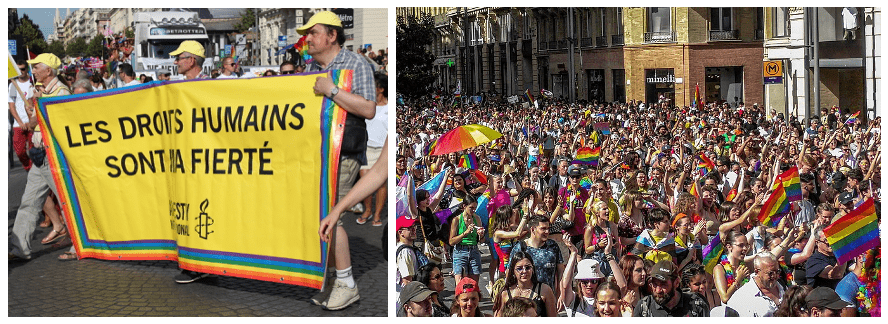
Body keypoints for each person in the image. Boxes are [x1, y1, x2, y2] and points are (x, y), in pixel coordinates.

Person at [300, 11, 377, 311]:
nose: (307, 38)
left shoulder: (356, 64)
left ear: (332, 35)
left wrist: (331, 90)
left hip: (343, 153)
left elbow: (368, 108)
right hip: (315, 154)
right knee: (320, 214)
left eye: (313, 32)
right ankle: (332, 278)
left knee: (335, 215)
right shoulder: (308, 68)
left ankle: (346, 282)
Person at [9, 53, 71, 261]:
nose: (32, 70)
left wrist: (33, 119)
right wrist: (32, 105)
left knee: (68, 201)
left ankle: (81, 246)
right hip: (39, 155)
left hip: (52, 155)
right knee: (28, 202)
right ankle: (20, 249)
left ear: (48, 71)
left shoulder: (61, 91)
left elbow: (52, 120)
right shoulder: (42, 91)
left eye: (36, 67)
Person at [167, 40, 211, 283]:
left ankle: (202, 262)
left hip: (202, 163)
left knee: (201, 209)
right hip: (182, 162)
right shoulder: (177, 88)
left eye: (179, 58)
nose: (175, 62)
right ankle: (192, 259)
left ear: (191, 60)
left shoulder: (209, 86)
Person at [356, 72, 388, 226]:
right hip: (366, 147)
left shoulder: (389, 106)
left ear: (380, 89)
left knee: (381, 183)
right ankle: (367, 210)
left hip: (382, 149)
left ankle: (377, 214)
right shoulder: (366, 103)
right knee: (365, 179)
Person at [633, 260, 710, 317]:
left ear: (676, 283)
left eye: (663, 284)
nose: (658, 290)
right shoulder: (644, 307)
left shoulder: (697, 305)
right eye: (654, 284)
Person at [510, 216, 564, 294]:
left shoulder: (552, 246)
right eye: (543, 229)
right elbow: (510, 272)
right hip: (526, 297)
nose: (547, 231)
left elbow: (560, 271)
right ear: (533, 229)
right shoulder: (521, 248)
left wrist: (560, 293)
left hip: (548, 296)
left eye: (548, 228)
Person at [494, 251, 557, 317]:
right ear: (513, 271)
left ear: (532, 269)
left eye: (528, 267)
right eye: (519, 268)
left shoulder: (544, 290)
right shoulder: (505, 293)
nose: (524, 271)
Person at [727, 252, 786, 317]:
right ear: (757, 272)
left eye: (777, 272)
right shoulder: (743, 298)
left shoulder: (782, 287)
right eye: (770, 273)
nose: (775, 276)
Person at [9, 61, 34, 171]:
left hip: (33, 123)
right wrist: (19, 122)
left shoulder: (32, 83)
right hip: (19, 124)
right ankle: (29, 168)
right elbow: (11, 105)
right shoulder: (13, 85)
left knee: (35, 151)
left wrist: (32, 121)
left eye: (23, 69)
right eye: (19, 70)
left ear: (27, 69)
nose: (21, 72)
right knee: (19, 151)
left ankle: (36, 172)